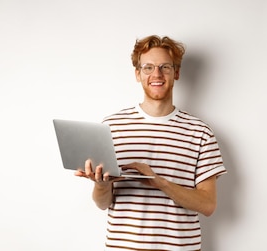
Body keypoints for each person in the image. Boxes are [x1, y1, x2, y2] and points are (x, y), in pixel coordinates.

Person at [74, 35, 227, 250]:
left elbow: (208, 204)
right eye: (148, 67)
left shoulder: (200, 132)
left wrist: (158, 181)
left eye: (165, 67)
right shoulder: (110, 127)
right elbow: (103, 203)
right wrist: (101, 185)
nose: (157, 74)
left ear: (177, 73)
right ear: (138, 74)